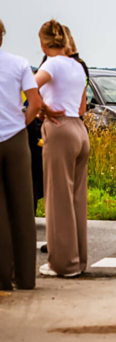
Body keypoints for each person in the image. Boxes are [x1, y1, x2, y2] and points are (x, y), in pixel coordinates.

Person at [34, 20, 89, 277]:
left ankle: (63, 264)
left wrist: (42, 109)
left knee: (58, 199)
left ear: (44, 44)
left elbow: (30, 89)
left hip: (59, 129)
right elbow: (81, 108)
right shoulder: (77, 67)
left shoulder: (52, 64)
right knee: (76, 199)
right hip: (80, 130)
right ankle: (78, 261)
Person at [1, 18, 42, 291]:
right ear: (2, 36)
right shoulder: (19, 63)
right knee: (24, 208)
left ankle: (3, 278)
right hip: (15, 139)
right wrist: (20, 123)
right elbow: (36, 102)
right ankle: (26, 278)